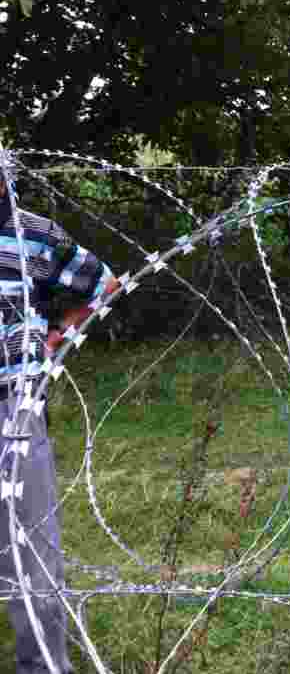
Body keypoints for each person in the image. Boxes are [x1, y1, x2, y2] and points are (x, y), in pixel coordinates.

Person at [0, 168, 119, 674]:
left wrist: (59, 335)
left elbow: (105, 284)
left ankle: (43, 665)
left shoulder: (35, 234)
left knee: (28, 543)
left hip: (15, 404)